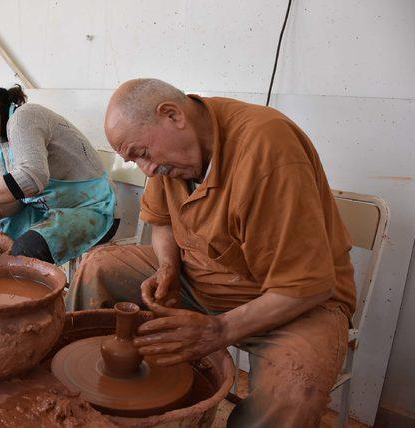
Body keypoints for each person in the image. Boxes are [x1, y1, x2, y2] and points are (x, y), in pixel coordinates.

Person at [66, 78, 356, 426]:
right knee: (99, 266)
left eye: (142, 154)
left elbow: (309, 286)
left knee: (293, 394)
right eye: (135, 160)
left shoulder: (267, 149)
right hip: (201, 275)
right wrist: (168, 267)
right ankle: (87, 393)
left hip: (295, 302)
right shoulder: (169, 152)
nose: (147, 170)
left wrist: (217, 331)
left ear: (172, 115)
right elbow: (162, 222)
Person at [0, 84, 117, 265]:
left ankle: (25, 292)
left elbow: (31, 178)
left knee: (26, 250)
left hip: (92, 209)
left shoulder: (25, 117)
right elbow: (19, 196)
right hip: (48, 209)